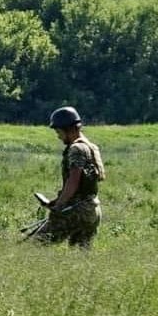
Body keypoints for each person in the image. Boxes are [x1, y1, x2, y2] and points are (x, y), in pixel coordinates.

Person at [33, 106, 105, 248]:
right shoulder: (90, 147)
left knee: (37, 244)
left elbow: (74, 180)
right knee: (80, 255)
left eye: (58, 131)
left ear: (68, 129)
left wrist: (59, 206)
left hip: (76, 211)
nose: (58, 135)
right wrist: (57, 200)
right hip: (92, 209)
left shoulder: (76, 149)